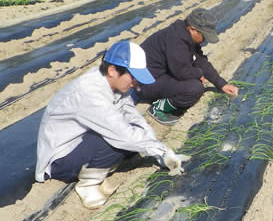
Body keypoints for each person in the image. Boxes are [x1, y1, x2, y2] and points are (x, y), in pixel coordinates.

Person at [35, 40, 190, 209]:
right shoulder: (90, 92)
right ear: (112, 70)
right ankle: (87, 185)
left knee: (135, 134)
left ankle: (97, 172)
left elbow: (133, 116)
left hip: (81, 144)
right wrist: (160, 150)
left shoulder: (114, 85)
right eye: (133, 77)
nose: (134, 83)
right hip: (60, 160)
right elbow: (121, 133)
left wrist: (161, 153)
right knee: (118, 141)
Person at [137, 8, 239, 126]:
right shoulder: (176, 40)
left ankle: (167, 100)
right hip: (144, 83)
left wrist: (222, 84)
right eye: (204, 35)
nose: (205, 39)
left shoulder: (184, 34)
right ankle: (158, 108)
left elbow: (200, 61)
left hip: (158, 76)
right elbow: (181, 72)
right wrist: (198, 73)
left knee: (193, 78)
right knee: (194, 88)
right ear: (193, 29)